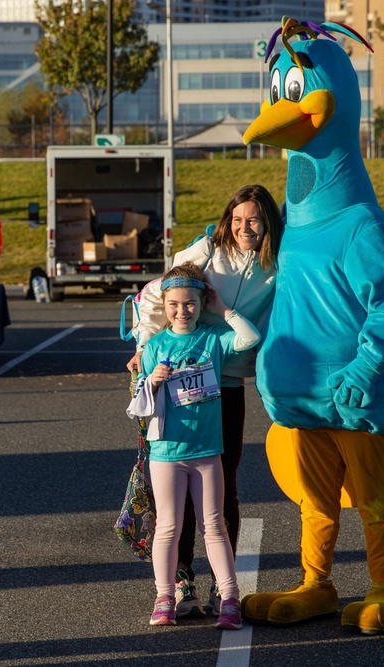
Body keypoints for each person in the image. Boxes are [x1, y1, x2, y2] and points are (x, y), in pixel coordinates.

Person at [126, 183, 283, 617]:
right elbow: (159, 292)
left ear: (267, 221)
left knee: (222, 486)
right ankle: (179, 581)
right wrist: (144, 344)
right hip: (175, 371)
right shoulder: (207, 251)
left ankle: (221, 584)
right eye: (237, 219)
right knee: (172, 492)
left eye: (253, 220)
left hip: (226, 377)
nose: (243, 227)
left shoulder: (278, 264)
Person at [126, 261, 260, 630]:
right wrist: (151, 380)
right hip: (166, 453)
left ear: (202, 304)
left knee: (213, 525)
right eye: (174, 304)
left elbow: (249, 339)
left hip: (206, 452)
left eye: (190, 304)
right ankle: (164, 597)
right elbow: (137, 404)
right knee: (168, 526)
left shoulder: (212, 340)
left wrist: (224, 310)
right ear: (163, 306)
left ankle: (230, 598)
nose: (182, 311)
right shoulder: (154, 346)